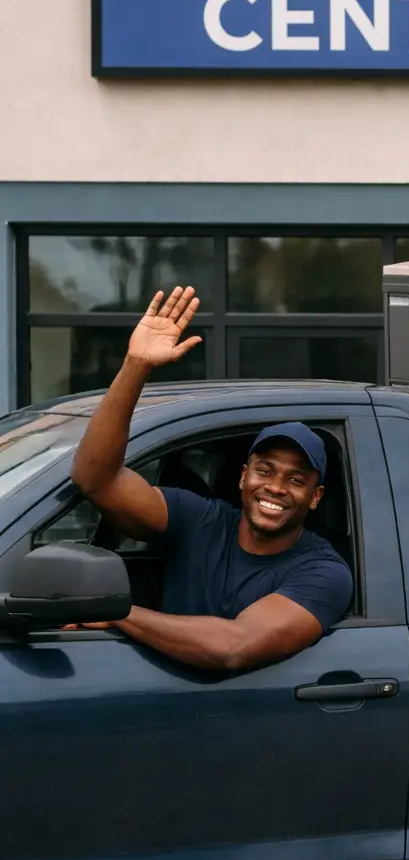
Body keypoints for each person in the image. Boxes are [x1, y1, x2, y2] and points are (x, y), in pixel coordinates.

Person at [70, 286, 353, 670]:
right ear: (243, 477)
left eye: (295, 480)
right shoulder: (201, 520)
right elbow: (96, 480)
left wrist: (118, 613)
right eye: (265, 470)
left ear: (315, 497)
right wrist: (136, 364)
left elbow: (232, 646)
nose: (275, 487)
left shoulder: (324, 572)